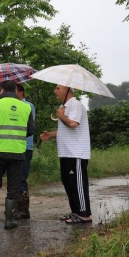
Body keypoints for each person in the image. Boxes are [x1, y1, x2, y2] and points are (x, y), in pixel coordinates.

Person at [0, 80, 35, 230]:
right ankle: (10, 221)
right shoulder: (26, 107)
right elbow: (31, 130)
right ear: (15, 90)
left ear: (2, 90)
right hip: (17, 152)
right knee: (14, 187)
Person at [40, 85, 92, 224]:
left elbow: (73, 124)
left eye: (58, 88)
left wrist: (61, 116)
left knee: (78, 184)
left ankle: (84, 214)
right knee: (69, 183)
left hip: (76, 153)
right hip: (66, 152)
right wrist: (50, 135)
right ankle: (75, 212)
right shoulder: (65, 107)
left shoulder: (75, 104)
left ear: (67, 89)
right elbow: (66, 129)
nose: (55, 91)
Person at [15, 83, 35, 219]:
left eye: (15, 91)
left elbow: (28, 126)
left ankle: (23, 209)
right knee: (15, 177)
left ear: (21, 92)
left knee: (21, 177)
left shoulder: (28, 106)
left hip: (25, 146)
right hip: (15, 146)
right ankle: (16, 207)